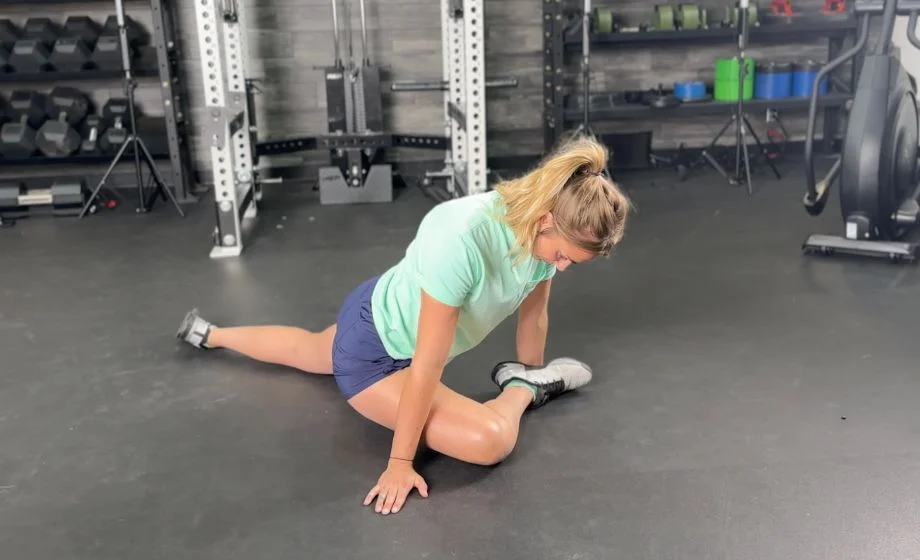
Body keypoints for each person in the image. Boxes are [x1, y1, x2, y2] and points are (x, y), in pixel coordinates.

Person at [175, 132, 631, 516]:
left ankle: (210, 334)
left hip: (383, 311)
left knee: (311, 351)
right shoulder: (463, 238)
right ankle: (524, 390)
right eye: (563, 257)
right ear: (547, 220)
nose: (563, 268)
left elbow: (535, 315)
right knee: (489, 441)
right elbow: (427, 363)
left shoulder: (543, 230)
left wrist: (531, 360)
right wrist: (399, 461)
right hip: (378, 356)